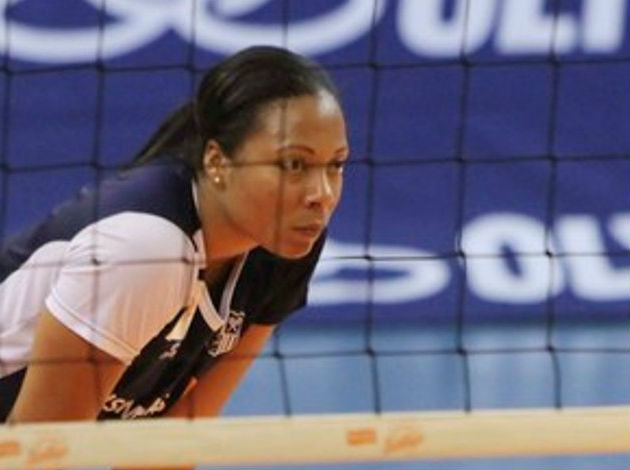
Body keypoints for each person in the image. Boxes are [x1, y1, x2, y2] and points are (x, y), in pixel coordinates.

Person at [0, 46, 349, 424]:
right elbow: (42, 447)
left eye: (335, 165)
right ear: (217, 161)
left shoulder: (281, 248)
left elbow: (177, 437)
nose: (322, 194)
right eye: (293, 164)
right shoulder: (144, 248)